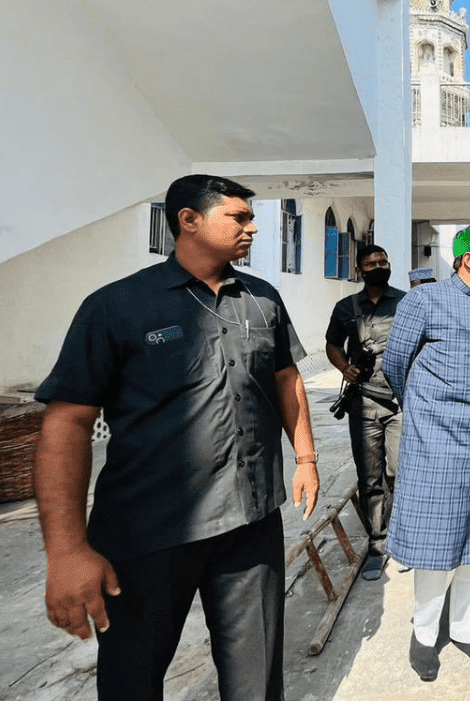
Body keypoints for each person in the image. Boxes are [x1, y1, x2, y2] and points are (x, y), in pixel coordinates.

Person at [33, 175, 319, 701]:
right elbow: (67, 423)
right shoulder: (117, 306)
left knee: (257, 680)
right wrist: (67, 550)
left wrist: (306, 457)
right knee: (132, 680)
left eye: (251, 217)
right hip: (148, 531)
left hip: (250, 522)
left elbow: (285, 377)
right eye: (239, 217)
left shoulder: (263, 299)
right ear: (189, 220)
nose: (253, 228)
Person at [383, 224, 470, 681]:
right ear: (468, 258)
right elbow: (395, 365)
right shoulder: (424, 301)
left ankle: (464, 629)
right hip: (440, 444)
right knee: (437, 543)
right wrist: (428, 414)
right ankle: (424, 636)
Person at [324, 244, 405, 581]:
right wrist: (345, 368)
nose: (379, 266)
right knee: (370, 477)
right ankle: (378, 542)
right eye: (371, 263)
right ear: (359, 270)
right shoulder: (345, 307)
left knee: (400, 471)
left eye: (383, 261)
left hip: (400, 403)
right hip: (364, 405)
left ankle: (405, 537)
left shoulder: (405, 303)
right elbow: (332, 343)